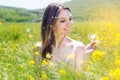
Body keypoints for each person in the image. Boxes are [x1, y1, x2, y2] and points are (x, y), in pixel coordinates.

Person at [35, 3, 97, 69]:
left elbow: (78, 77)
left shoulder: (77, 48)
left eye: (70, 19)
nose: (69, 24)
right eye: (63, 21)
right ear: (51, 24)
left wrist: (85, 57)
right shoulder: (39, 48)